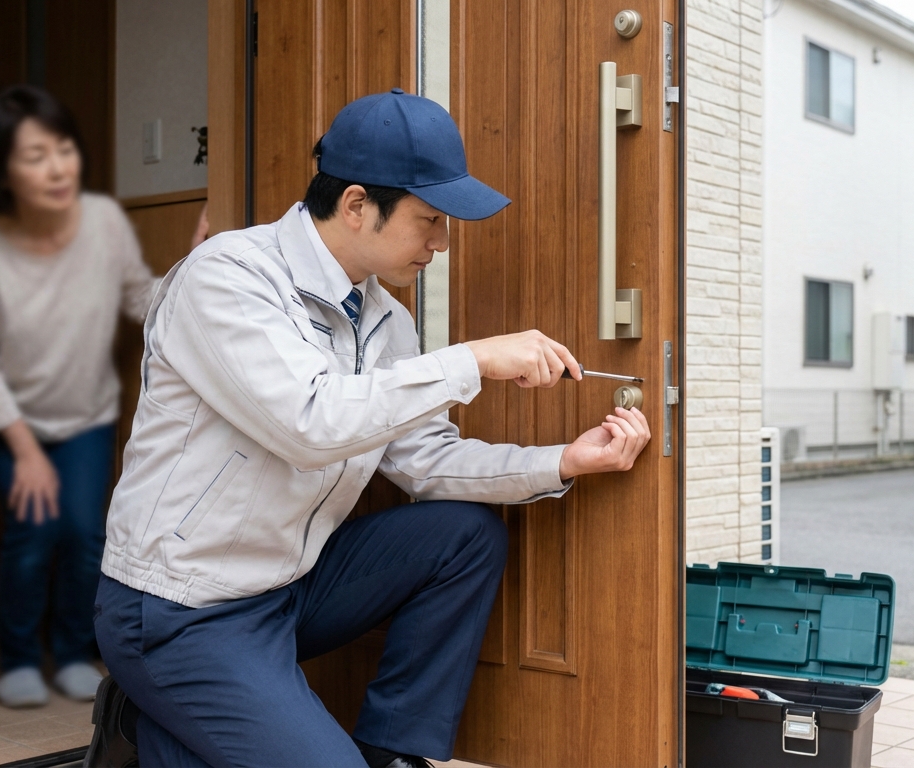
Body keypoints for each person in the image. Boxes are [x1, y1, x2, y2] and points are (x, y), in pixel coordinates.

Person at [94, 88, 652, 767]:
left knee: (463, 535)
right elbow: (310, 423)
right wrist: (473, 360)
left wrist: (562, 461)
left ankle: (390, 752)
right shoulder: (229, 277)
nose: (441, 242)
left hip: (287, 589)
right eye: (429, 220)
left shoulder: (386, 318)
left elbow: (424, 461)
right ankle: (152, 709)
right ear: (357, 205)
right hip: (181, 608)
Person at [0, 85, 156, 708]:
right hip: (5, 420)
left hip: (85, 414)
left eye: (64, 149)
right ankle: (17, 658)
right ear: (1, 172)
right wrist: (26, 452)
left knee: (86, 534)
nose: (59, 167)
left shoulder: (104, 221)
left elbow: (141, 297)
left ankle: (70, 652)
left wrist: (197, 270)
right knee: (36, 528)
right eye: (36, 156)